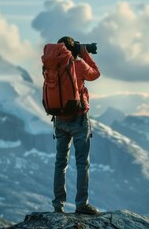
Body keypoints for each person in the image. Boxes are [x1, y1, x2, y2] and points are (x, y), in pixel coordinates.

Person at [51, 36, 100, 215]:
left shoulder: (51, 66)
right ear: (73, 50)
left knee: (60, 162)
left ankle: (58, 204)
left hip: (59, 119)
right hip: (79, 119)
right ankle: (81, 204)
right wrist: (84, 54)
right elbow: (95, 73)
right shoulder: (78, 65)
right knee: (81, 163)